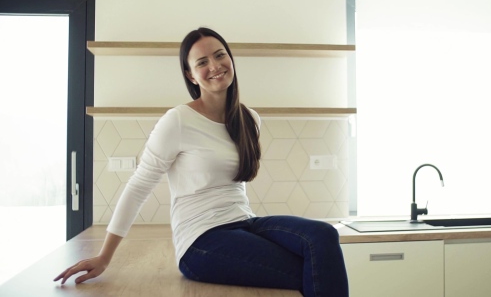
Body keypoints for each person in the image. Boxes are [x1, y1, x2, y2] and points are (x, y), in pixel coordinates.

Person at [54, 27, 349, 297]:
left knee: (323, 236)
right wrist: (104, 256)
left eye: (220, 55)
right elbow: (138, 186)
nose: (214, 66)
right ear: (191, 75)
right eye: (202, 62)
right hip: (201, 242)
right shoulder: (179, 120)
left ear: (231, 60)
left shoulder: (250, 119)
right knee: (315, 270)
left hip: (245, 222)